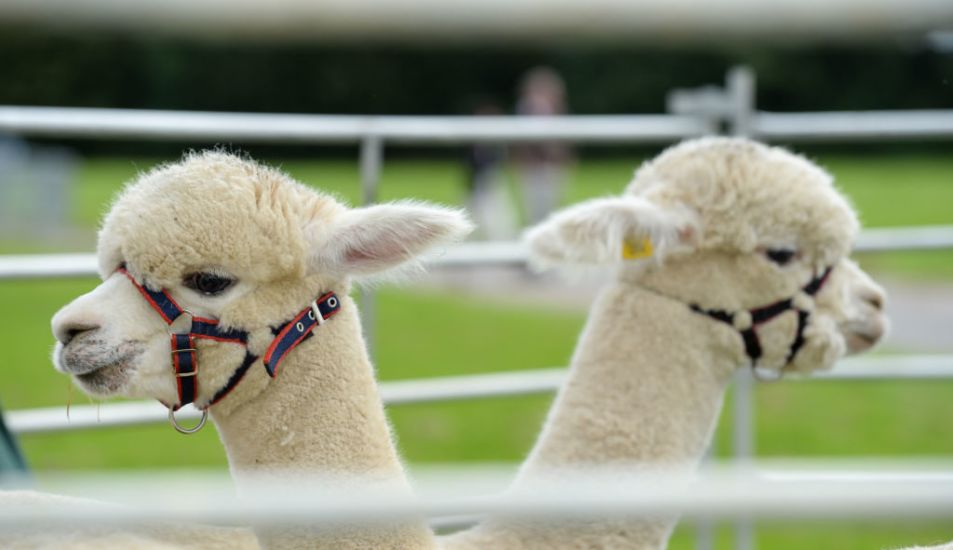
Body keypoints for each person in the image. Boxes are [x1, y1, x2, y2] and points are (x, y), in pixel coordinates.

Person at [513, 67, 573, 226]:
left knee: (553, 208)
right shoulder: (526, 109)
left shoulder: (557, 110)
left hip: (553, 166)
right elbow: (522, 142)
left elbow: (563, 140)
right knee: (534, 209)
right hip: (533, 167)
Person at [464, 101, 518, 241]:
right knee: (472, 216)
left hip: (490, 182)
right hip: (475, 185)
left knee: (496, 216)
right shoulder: (473, 144)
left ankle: (502, 244)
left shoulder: (496, 145)